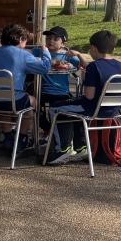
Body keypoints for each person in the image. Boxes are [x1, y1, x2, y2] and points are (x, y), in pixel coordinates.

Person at [45, 30, 121, 164]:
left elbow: (89, 96)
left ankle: (63, 149)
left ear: (93, 48)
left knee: (55, 108)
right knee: (69, 107)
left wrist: (85, 80)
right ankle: (80, 146)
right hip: (115, 111)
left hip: (93, 109)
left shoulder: (94, 67)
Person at [0, 23, 53, 112]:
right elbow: (45, 68)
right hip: (13, 102)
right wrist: (45, 51)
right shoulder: (23, 55)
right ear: (20, 39)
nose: (26, 44)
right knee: (33, 101)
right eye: (26, 40)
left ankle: (5, 126)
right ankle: (27, 126)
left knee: (4, 103)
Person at [37, 26, 84, 159]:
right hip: (42, 90)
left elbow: (82, 67)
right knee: (33, 107)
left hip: (61, 91)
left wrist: (77, 57)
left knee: (69, 109)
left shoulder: (67, 55)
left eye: (55, 39)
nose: (50, 41)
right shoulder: (40, 52)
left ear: (63, 42)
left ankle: (74, 144)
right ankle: (48, 129)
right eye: (48, 38)